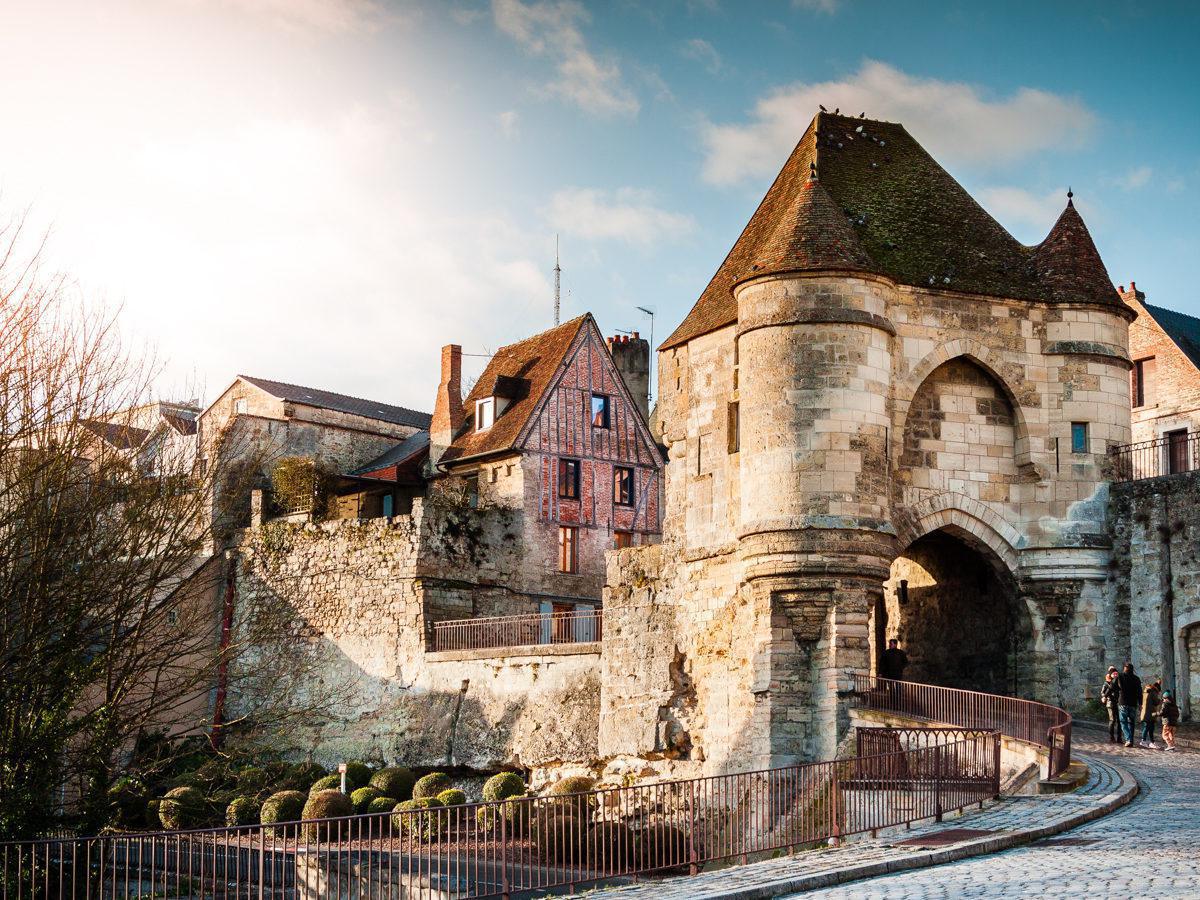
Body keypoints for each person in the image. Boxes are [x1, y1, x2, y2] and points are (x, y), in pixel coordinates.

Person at [1117, 662, 1142, 747]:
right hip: (1133, 703)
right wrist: (1141, 703)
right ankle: (1130, 740)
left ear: (1124, 668)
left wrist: (1105, 695)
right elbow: (1139, 692)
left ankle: (1128, 739)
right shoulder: (1136, 678)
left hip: (1123, 702)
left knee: (1123, 722)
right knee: (1131, 723)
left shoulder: (1120, 676)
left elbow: (1113, 687)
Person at [1100, 666, 1121, 743]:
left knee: (1119, 721)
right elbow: (1102, 692)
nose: (1115, 674)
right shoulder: (1106, 683)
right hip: (1110, 702)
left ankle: (1119, 737)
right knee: (1112, 720)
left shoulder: (1118, 682)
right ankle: (1111, 737)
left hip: (1118, 703)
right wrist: (1105, 696)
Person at [1141, 679, 1163, 748]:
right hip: (1150, 713)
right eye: (1159, 692)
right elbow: (1156, 702)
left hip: (1145, 712)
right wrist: (1161, 700)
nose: (1158, 693)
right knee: (1148, 727)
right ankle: (1143, 741)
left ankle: (1151, 742)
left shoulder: (1146, 691)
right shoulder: (1153, 692)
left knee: (1149, 727)